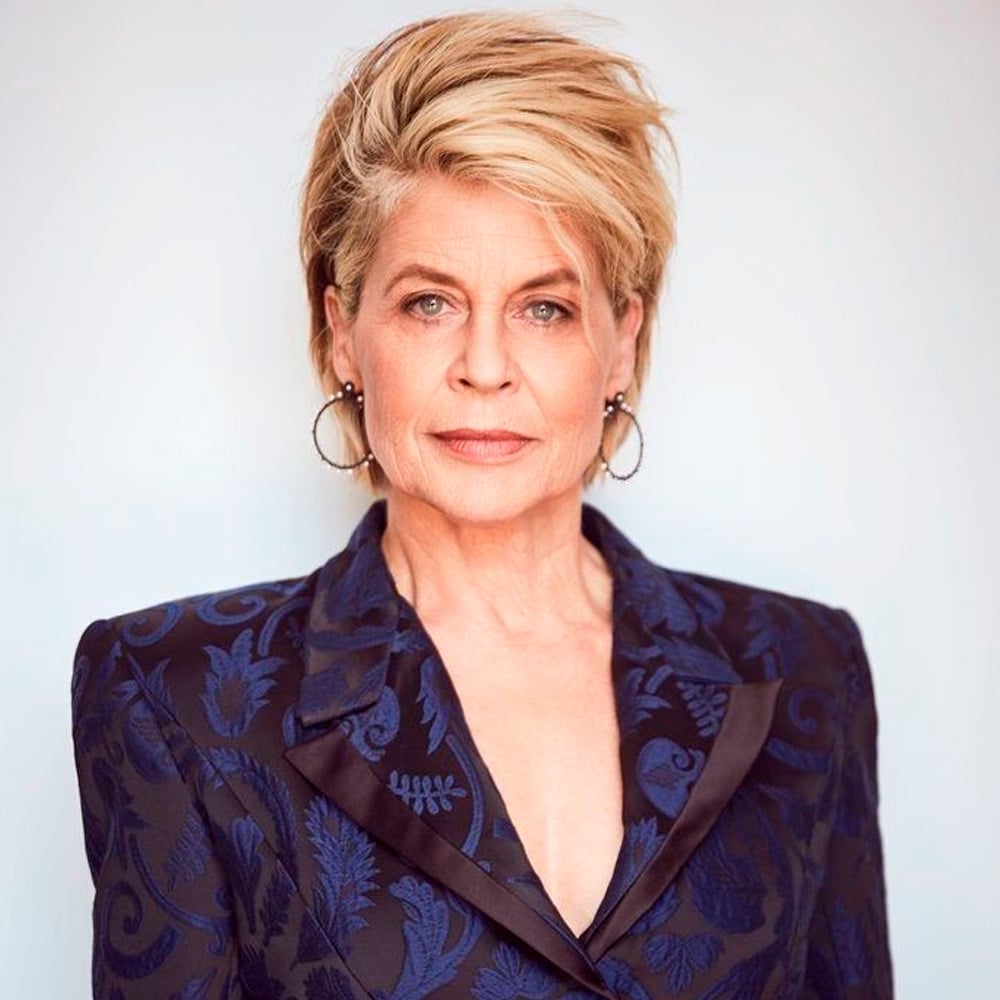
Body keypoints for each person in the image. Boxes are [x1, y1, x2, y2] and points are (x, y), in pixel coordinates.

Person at [72, 11, 892, 999]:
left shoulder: (802, 667)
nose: (486, 368)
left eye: (543, 308)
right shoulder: (175, 695)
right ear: (343, 331)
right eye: (430, 302)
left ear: (620, 342)